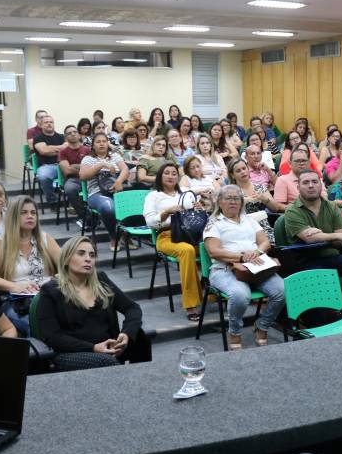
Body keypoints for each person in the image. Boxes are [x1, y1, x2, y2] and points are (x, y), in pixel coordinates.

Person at [36, 236, 151, 370]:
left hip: (108, 345)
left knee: (140, 337)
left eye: (92, 255)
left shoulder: (101, 280)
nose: (88, 259)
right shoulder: (50, 291)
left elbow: (132, 308)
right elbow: (53, 337)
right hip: (72, 353)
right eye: (81, 253)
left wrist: (125, 334)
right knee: (106, 361)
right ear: (66, 259)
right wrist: (94, 348)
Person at [203, 186, 285, 349]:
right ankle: (234, 332)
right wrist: (241, 257)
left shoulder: (249, 220)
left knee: (281, 291)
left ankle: (262, 325)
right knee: (240, 295)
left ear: (241, 202)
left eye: (237, 198)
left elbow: (265, 242)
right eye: (228, 198)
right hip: (224, 270)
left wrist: (256, 252)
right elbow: (213, 251)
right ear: (220, 202)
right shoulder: (214, 223)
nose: (233, 201)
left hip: (254, 267)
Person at [0, 196, 60, 335]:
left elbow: (67, 266)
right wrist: (14, 286)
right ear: (13, 216)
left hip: (49, 295)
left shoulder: (45, 238)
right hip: (19, 301)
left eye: (33, 213)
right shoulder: (0, 243)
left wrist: (60, 278)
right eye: (23, 213)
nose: (30, 216)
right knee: (36, 324)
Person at [143, 163, 204, 321]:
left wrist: (198, 207)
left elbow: (196, 217)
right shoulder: (153, 196)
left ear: (178, 177)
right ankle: (191, 304)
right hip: (166, 236)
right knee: (187, 250)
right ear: (160, 176)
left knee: (210, 246)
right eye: (166, 173)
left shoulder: (185, 192)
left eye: (174, 173)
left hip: (189, 234)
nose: (170, 176)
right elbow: (150, 222)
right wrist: (166, 212)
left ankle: (212, 292)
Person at [284, 169, 342, 274]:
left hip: (334, 256)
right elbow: (310, 238)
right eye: (305, 182)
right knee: (324, 280)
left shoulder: (332, 206)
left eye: (315, 182)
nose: (311, 185)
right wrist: (336, 236)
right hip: (307, 260)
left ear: (321, 185)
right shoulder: (292, 211)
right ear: (298, 187)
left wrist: (320, 235)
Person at [80, 133, 129, 252]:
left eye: (104, 141)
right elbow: (83, 176)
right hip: (97, 194)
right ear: (93, 145)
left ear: (108, 144)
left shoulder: (115, 156)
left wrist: (119, 181)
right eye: (98, 141)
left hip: (116, 191)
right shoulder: (88, 159)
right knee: (108, 207)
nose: (102, 143)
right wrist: (101, 164)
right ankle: (114, 236)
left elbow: (125, 169)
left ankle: (126, 235)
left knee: (132, 204)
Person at [229, 159, 280, 243]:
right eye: (238, 171)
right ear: (232, 175)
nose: (242, 172)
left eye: (244, 168)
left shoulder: (260, 187)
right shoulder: (231, 191)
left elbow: (275, 208)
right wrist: (245, 200)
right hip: (241, 228)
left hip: (263, 227)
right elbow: (229, 213)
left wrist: (264, 198)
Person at [57, 124, 90, 220]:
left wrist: (74, 166)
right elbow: (67, 171)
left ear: (79, 135)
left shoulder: (88, 150)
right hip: (74, 180)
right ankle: (85, 217)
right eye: (69, 133)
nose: (73, 134)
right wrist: (84, 167)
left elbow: (93, 166)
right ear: (66, 138)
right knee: (69, 189)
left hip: (89, 178)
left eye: (75, 132)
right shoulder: (63, 152)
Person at [32, 115, 66, 206]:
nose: (49, 124)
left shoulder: (62, 137)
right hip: (47, 166)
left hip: (63, 165)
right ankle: (53, 201)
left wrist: (49, 148)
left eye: (51, 122)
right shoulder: (38, 138)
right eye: (46, 122)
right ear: (41, 125)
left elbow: (67, 148)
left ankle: (71, 202)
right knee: (43, 176)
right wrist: (60, 149)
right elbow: (43, 151)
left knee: (76, 173)